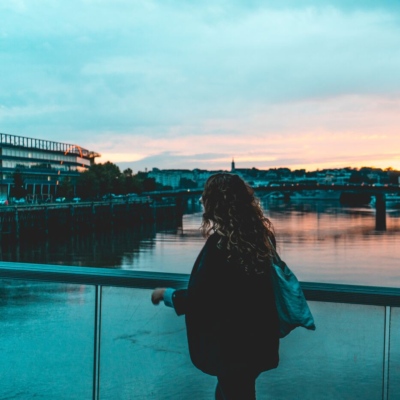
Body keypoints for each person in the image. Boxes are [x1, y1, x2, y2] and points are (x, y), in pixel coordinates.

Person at [151, 173, 280, 400]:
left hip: (231, 347)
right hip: (257, 339)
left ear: (215, 204)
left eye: (206, 197)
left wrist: (166, 294)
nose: (202, 200)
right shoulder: (261, 238)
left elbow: (202, 299)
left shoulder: (221, 245)